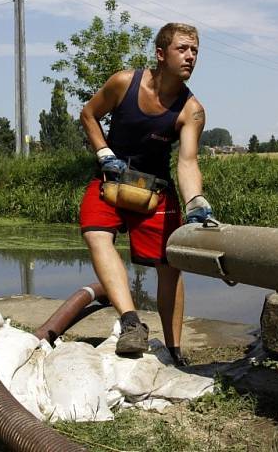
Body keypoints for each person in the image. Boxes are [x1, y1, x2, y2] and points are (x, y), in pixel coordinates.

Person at [78, 22, 213, 365]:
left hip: (154, 189)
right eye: (182, 49)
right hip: (111, 179)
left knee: (170, 266)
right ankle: (131, 323)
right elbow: (89, 114)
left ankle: (175, 350)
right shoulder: (124, 82)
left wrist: (195, 201)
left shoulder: (191, 110)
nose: (190, 56)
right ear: (160, 53)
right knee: (96, 233)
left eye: (195, 50)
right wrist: (103, 153)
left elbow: (187, 162)